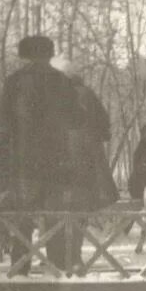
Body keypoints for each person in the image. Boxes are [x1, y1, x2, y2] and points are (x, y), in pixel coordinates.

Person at [0, 35, 85, 275]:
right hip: (57, 162)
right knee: (55, 218)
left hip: (23, 163)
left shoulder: (14, 82)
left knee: (23, 218)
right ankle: (58, 268)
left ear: (25, 54)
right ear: (50, 54)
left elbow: (0, 121)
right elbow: (78, 119)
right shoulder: (62, 82)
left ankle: (20, 269)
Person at [51, 55, 119, 211]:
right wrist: (101, 135)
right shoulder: (87, 93)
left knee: (69, 202)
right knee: (90, 198)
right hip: (91, 155)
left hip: (68, 157)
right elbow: (104, 120)